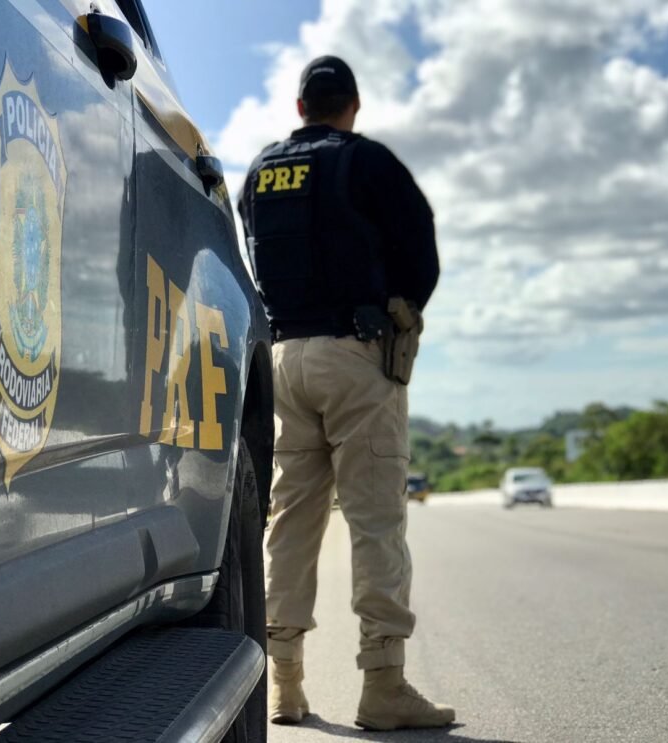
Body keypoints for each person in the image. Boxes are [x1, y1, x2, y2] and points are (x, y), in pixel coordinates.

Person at [238, 55, 453, 731]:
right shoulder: (366, 161)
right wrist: (400, 305)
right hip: (357, 360)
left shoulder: (261, 171)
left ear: (301, 108)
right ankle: (383, 685)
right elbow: (421, 253)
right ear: (351, 106)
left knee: (290, 525)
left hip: (284, 361)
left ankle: (286, 687)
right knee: (375, 522)